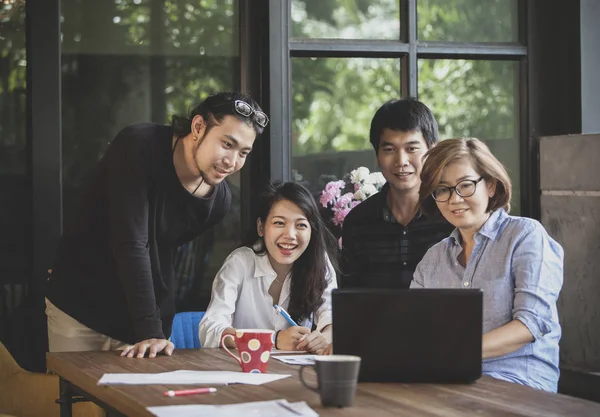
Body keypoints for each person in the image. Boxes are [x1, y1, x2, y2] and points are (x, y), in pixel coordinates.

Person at [46, 92, 268, 358]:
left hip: (141, 323)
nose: (232, 162)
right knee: (75, 396)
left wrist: (155, 329)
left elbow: (161, 251)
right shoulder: (140, 145)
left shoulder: (217, 201)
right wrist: (150, 330)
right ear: (198, 127)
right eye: (227, 144)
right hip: (80, 308)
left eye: (243, 152)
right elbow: (132, 243)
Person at [411, 138, 563, 392]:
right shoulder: (432, 259)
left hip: (520, 382)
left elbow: (530, 324)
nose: (455, 199)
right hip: (449, 382)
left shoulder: (525, 236)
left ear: (490, 186)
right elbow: (413, 328)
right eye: (443, 189)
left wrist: (454, 352)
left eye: (465, 185)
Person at [199, 181, 338, 355]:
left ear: (312, 231)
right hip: (241, 372)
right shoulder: (240, 262)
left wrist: (325, 336)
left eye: (301, 225)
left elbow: (332, 315)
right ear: (261, 227)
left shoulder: (318, 263)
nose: (290, 235)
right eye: (279, 223)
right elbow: (210, 330)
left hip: (294, 374)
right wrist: (273, 339)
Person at [340, 99, 453, 289]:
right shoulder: (358, 221)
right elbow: (350, 298)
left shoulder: (450, 213)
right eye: (389, 149)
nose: (401, 161)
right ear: (377, 156)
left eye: (412, 149)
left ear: (432, 151)